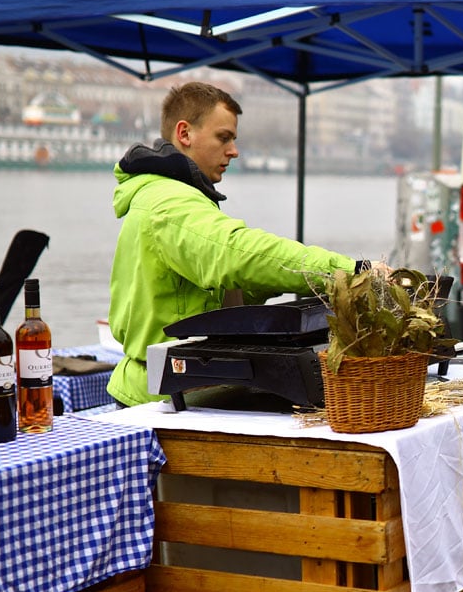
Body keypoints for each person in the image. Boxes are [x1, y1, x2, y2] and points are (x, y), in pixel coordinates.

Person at [106, 81, 372, 406]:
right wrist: (350, 271)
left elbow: (215, 293)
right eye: (224, 137)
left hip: (179, 387)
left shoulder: (179, 197)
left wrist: (265, 283)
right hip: (159, 397)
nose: (233, 150)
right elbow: (236, 253)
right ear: (185, 134)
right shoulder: (168, 204)